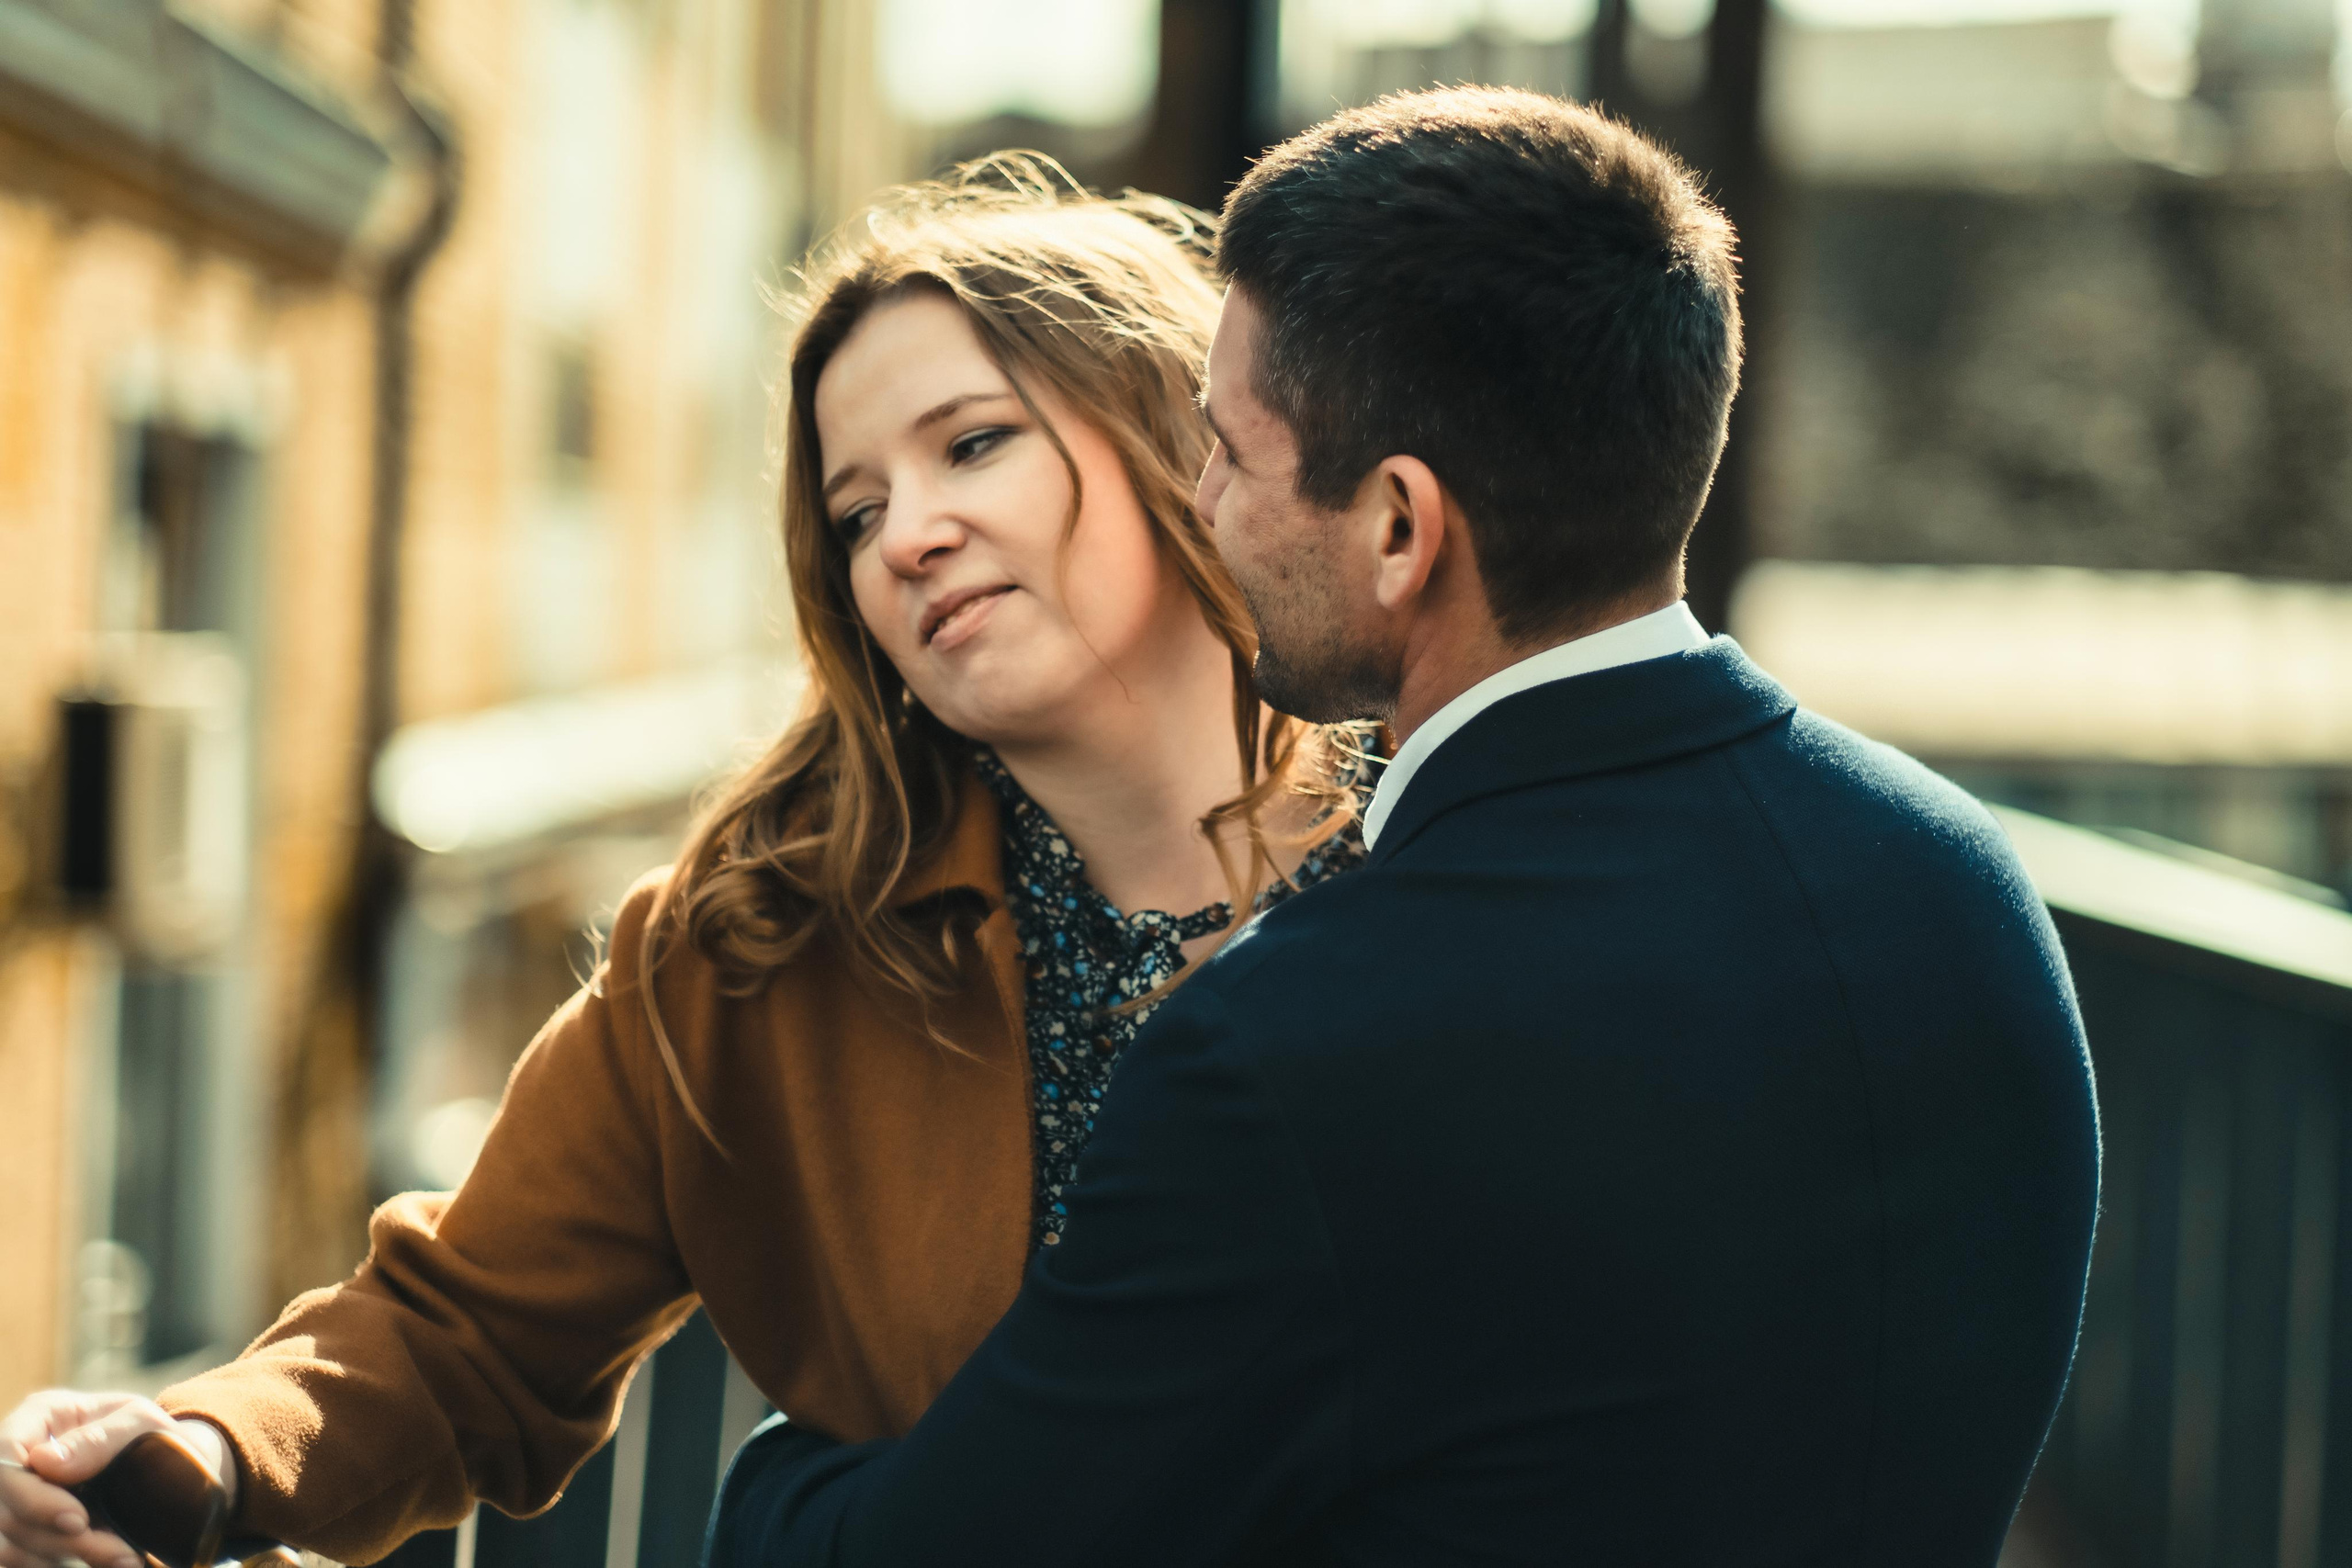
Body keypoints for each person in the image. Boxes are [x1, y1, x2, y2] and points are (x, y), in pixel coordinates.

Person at [704, 88, 2103, 1567]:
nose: (1201, 500)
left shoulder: (1293, 1047)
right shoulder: (1963, 887)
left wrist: (795, 1463)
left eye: (1230, 454)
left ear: (1397, 527)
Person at [0, 157, 1375, 1568]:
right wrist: (197, 1454)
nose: (909, 537)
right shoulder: (762, 946)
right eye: (856, 514)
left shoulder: (1451, 853)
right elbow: (463, 1330)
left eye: (972, 445)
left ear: (1181, 431)